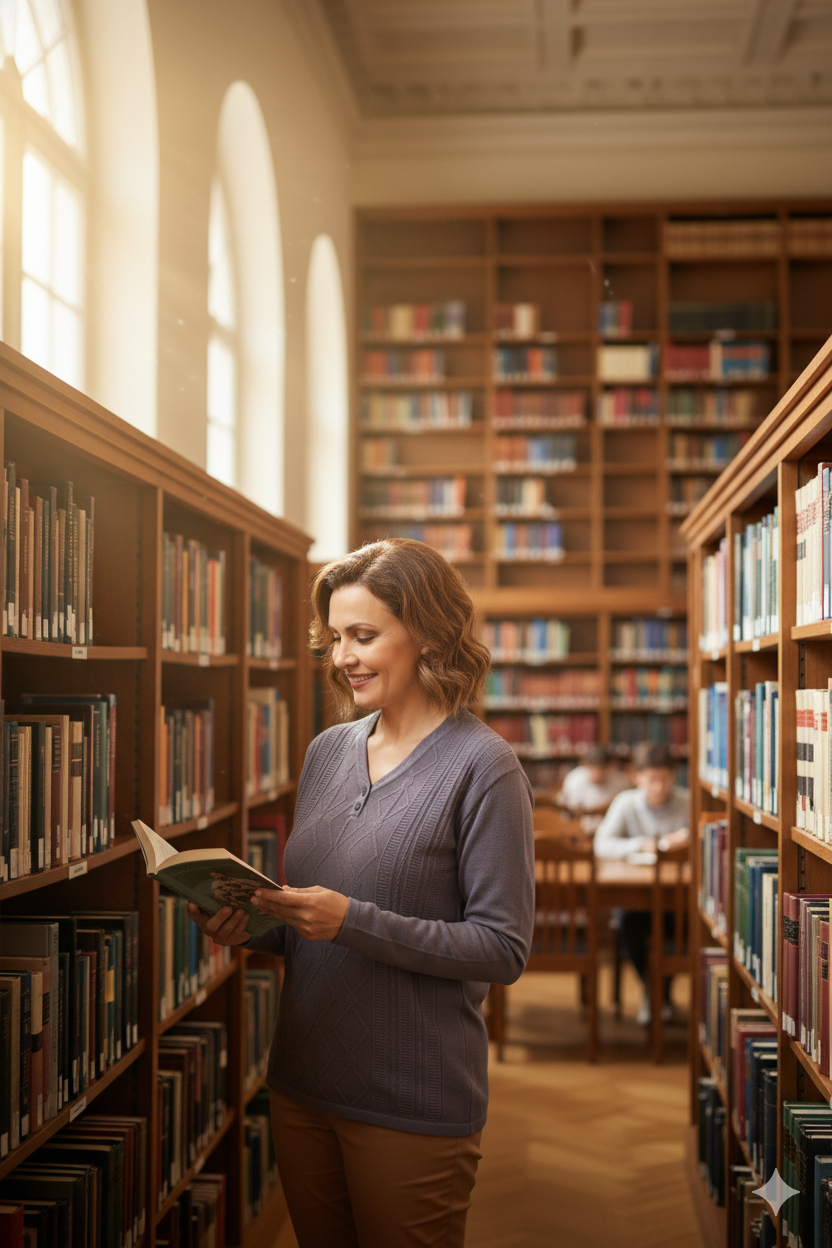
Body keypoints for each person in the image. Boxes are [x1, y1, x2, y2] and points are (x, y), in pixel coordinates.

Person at [186, 538, 535, 1248]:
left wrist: (349, 920)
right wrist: (250, 922)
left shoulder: (485, 769)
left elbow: (502, 948)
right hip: (303, 1083)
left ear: (429, 634)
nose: (343, 656)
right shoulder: (327, 751)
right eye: (334, 638)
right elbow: (308, 927)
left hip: (411, 1099)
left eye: (364, 636)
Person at [593, 741, 689, 1026]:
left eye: (664, 779)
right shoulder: (626, 803)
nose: (658, 787)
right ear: (637, 777)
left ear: (673, 776)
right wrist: (646, 845)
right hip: (636, 898)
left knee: (683, 930)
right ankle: (653, 990)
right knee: (625, 923)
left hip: (676, 899)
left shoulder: (688, 802)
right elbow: (601, 844)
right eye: (651, 780)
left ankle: (660, 992)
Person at [556, 744, 631, 819]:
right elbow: (568, 811)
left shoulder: (621, 782)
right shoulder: (574, 780)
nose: (597, 773)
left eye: (602, 769)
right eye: (593, 769)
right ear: (584, 765)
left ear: (611, 766)